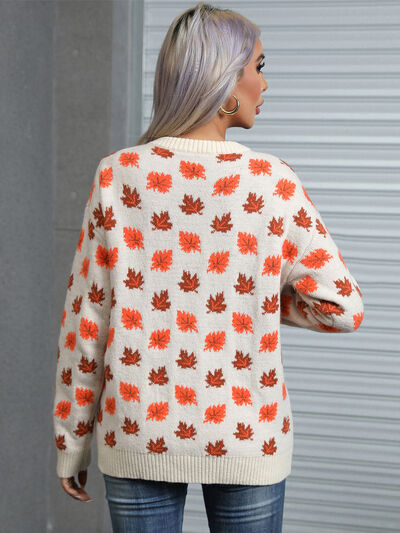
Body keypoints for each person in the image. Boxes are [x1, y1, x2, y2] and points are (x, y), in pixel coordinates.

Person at [52, 2, 364, 532]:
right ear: (224, 81)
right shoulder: (272, 181)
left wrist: (71, 443)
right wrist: (255, 299)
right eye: (259, 67)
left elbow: (87, 322)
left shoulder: (117, 176)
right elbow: (342, 308)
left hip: (137, 430)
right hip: (248, 436)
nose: (265, 84)